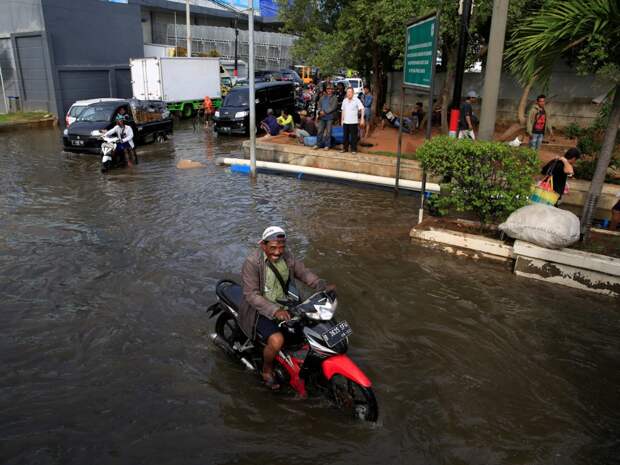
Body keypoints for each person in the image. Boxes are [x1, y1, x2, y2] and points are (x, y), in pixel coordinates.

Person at [239, 226, 334, 389]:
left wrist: (319, 284)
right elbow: (251, 295)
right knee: (277, 340)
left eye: (281, 247)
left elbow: (303, 272)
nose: (278, 252)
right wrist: (275, 310)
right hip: (260, 309)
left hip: (287, 304)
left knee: (314, 326)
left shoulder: (287, 256)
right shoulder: (252, 263)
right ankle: (267, 370)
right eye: (273, 248)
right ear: (263, 245)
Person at [313, 85, 338, 150]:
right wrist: (320, 111)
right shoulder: (322, 97)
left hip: (329, 117)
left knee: (328, 132)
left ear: (332, 90)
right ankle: (318, 144)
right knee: (320, 131)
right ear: (326, 90)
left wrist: (325, 112)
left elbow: (333, 107)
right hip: (322, 117)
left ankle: (327, 145)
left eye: (330, 89)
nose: (329, 90)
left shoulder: (334, 97)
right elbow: (319, 105)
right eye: (328, 89)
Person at [340, 87, 364, 154]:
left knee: (354, 137)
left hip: (353, 122)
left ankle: (353, 149)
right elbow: (343, 111)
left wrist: (362, 118)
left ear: (353, 93)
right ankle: (345, 148)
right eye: (348, 92)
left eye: (350, 92)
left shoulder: (356, 100)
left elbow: (362, 108)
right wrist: (342, 120)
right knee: (345, 136)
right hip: (345, 122)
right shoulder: (344, 100)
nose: (349, 93)